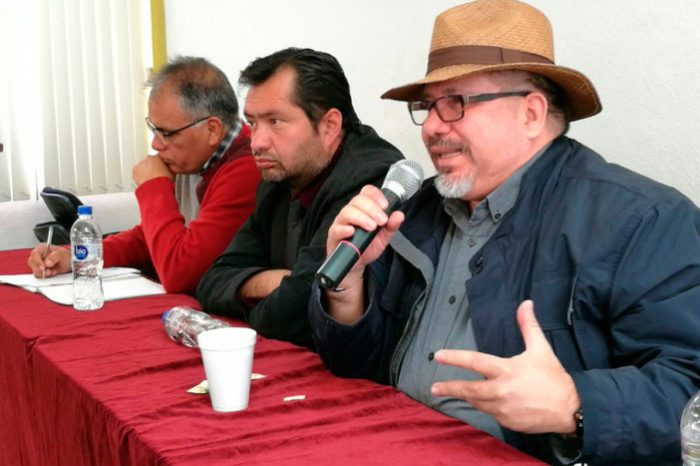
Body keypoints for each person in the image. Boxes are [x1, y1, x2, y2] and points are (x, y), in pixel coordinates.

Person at [308, 1, 700, 465]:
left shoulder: (644, 219)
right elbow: (355, 368)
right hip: (389, 443)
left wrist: (575, 404)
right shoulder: (412, 211)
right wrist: (348, 288)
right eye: (427, 106)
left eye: (455, 102)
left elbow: (689, 388)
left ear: (531, 113)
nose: (432, 126)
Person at [196, 48, 403, 348]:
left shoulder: (370, 179)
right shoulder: (278, 175)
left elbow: (286, 318)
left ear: (330, 125)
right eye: (253, 123)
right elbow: (211, 282)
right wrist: (281, 280)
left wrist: (266, 294)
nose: (257, 143)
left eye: (275, 122)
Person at [28, 56, 259, 294]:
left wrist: (155, 187)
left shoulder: (247, 168)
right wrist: (78, 255)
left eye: (167, 133)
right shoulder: (194, 156)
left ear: (212, 130)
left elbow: (180, 274)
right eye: (154, 130)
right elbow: (150, 239)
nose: (156, 145)